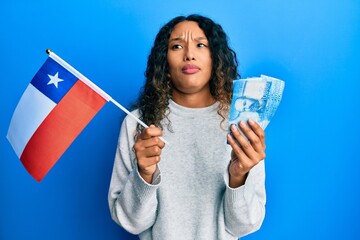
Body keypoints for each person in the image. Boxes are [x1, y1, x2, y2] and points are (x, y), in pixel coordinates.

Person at [108, 14, 266, 240]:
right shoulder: (137, 124)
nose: (189, 54)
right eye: (177, 46)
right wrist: (144, 175)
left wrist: (239, 176)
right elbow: (132, 223)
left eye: (201, 45)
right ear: (164, 62)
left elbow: (245, 225)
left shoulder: (242, 123)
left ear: (215, 57)